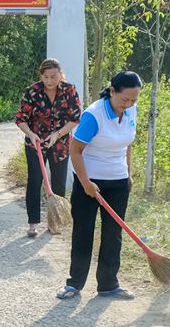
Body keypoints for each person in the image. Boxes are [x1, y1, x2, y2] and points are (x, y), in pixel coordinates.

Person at [57, 71, 142, 301]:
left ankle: (108, 284)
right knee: (83, 232)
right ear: (112, 91)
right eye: (125, 99)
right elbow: (75, 150)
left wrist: (128, 174)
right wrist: (86, 183)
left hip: (118, 181)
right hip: (89, 180)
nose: (129, 104)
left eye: (134, 100)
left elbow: (128, 145)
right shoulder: (94, 115)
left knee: (113, 234)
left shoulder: (131, 110)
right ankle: (74, 283)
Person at [16, 58, 82, 237]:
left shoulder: (69, 90)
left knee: (59, 182)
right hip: (35, 142)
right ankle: (33, 223)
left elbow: (75, 118)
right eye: (45, 77)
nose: (50, 81)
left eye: (54, 77)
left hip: (60, 143)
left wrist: (57, 134)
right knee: (35, 181)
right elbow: (21, 118)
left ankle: (55, 222)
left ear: (60, 75)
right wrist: (31, 134)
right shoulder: (32, 91)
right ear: (41, 76)